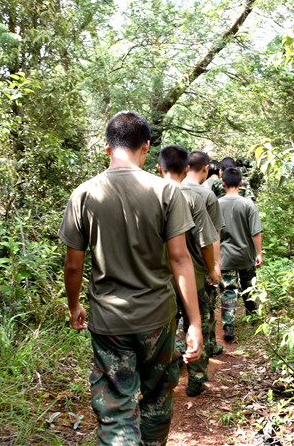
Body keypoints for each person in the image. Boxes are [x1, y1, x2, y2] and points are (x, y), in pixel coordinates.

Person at [59, 111, 202, 445]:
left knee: (116, 408)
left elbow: (73, 266)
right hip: (157, 317)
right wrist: (194, 323)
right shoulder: (167, 192)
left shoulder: (83, 194)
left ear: (107, 147)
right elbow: (180, 259)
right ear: (146, 147)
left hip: (109, 322)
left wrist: (74, 305)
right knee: (157, 397)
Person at [157, 145, 220, 397]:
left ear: (158, 168)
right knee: (199, 324)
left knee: (166, 329)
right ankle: (196, 378)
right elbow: (207, 241)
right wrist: (212, 268)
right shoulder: (195, 198)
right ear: (186, 169)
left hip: (161, 280)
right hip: (193, 277)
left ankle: (167, 374)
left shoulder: (151, 195)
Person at [183, 150, 225, 358]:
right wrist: (215, 266)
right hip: (200, 265)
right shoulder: (207, 195)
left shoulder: (167, 189)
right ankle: (204, 351)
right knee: (203, 312)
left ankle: (177, 354)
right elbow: (213, 236)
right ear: (206, 168)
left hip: (170, 267)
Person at [218, 167, 263, 342]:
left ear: (223, 184)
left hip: (225, 256)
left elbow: (213, 233)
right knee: (248, 287)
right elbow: (256, 231)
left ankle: (228, 327)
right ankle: (253, 317)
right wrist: (259, 253)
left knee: (228, 291)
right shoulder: (248, 204)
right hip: (246, 255)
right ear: (241, 184)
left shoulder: (217, 204)